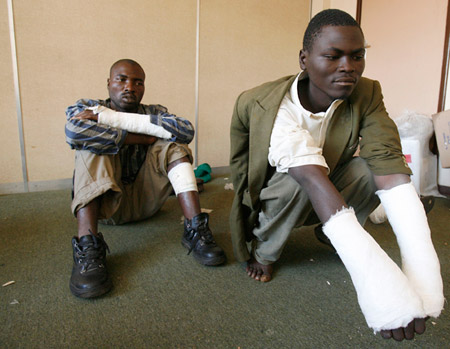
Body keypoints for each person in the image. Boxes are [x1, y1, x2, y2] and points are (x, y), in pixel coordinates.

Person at [229, 9, 443, 341]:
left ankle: (329, 235)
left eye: (357, 56)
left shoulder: (367, 93)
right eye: (333, 56)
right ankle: (265, 250)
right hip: (280, 192)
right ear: (304, 59)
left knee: (369, 169)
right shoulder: (268, 105)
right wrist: (379, 285)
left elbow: (387, 160)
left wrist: (424, 278)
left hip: (326, 180)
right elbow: (310, 177)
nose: (348, 67)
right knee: (296, 181)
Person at [65, 59, 226, 299]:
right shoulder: (89, 106)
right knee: (90, 147)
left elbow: (186, 130)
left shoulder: (155, 111)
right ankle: (88, 250)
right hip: (106, 208)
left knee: (172, 143)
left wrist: (113, 121)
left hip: (147, 202)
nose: (129, 86)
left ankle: (196, 230)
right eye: (121, 79)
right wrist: (137, 137)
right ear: (109, 83)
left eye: (137, 82)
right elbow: (75, 131)